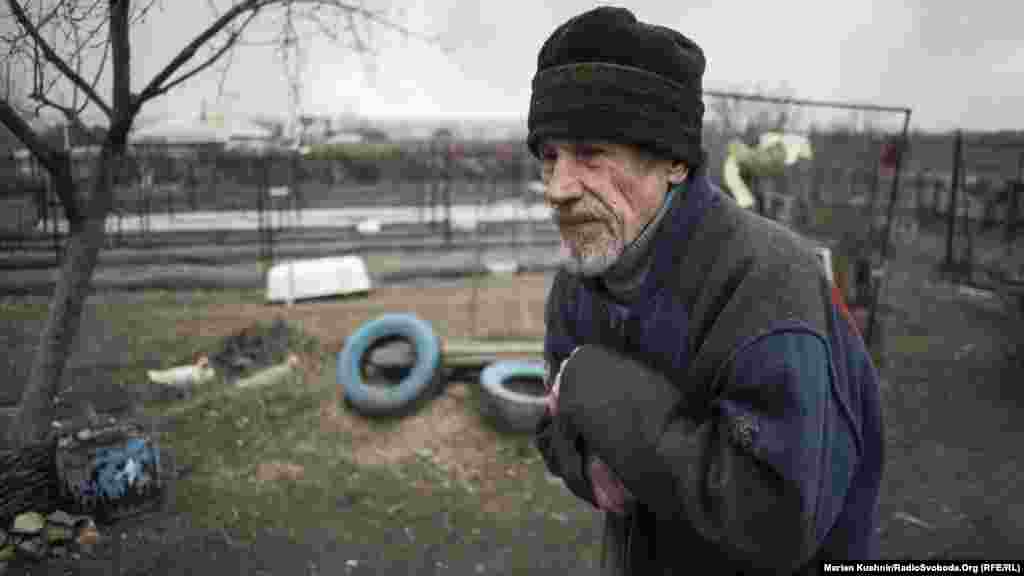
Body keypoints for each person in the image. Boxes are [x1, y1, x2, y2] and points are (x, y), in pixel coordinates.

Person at [529, 7, 884, 574]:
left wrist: (594, 384)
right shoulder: (580, 280)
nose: (557, 189)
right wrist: (588, 462)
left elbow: (773, 519)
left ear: (672, 160)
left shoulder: (767, 281)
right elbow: (552, 423)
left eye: (590, 153)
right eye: (549, 158)